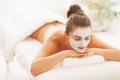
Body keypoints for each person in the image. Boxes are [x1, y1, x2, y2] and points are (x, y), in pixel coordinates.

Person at [30, 4, 120, 76]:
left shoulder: (90, 38)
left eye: (87, 38)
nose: (83, 44)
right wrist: (64, 54)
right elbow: (34, 69)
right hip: (40, 26)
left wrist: (96, 51)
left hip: (61, 23)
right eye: (77, 39)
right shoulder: (55, 39)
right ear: (67, 34)